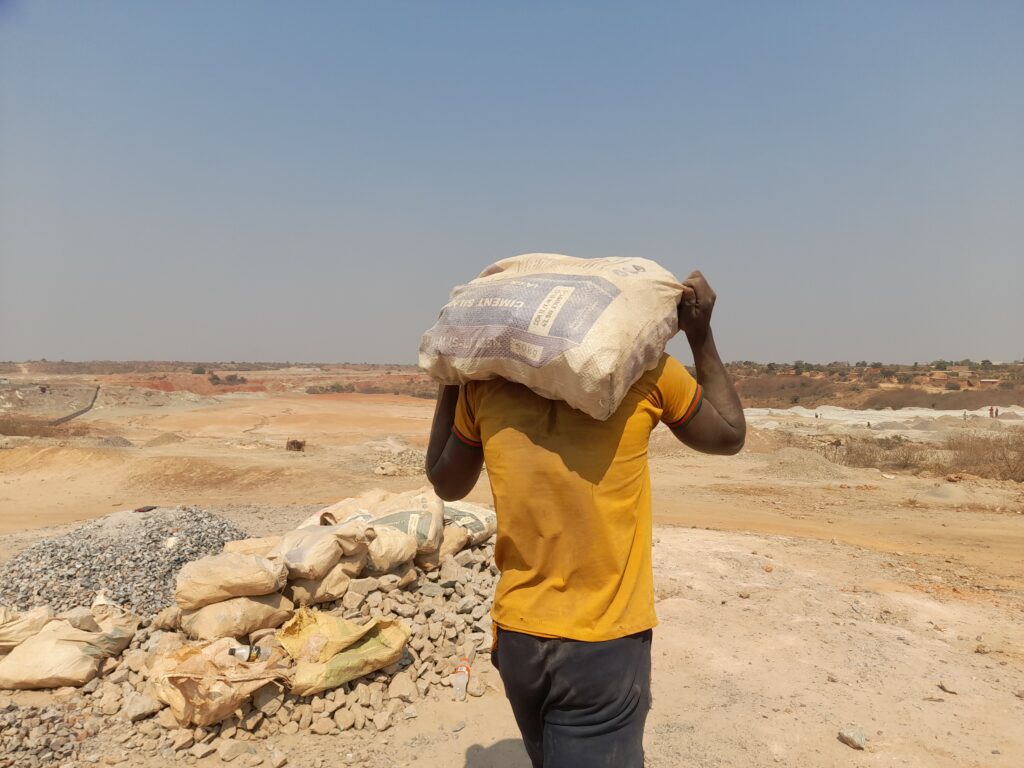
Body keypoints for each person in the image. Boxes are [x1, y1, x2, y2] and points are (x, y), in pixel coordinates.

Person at [425, 270, 745, 768]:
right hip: (602, 646)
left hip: (518, 640)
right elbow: (728, 434)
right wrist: (700, 336)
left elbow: (446, 481)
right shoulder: (648, 375)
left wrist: (456, 372)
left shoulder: (485, 392)